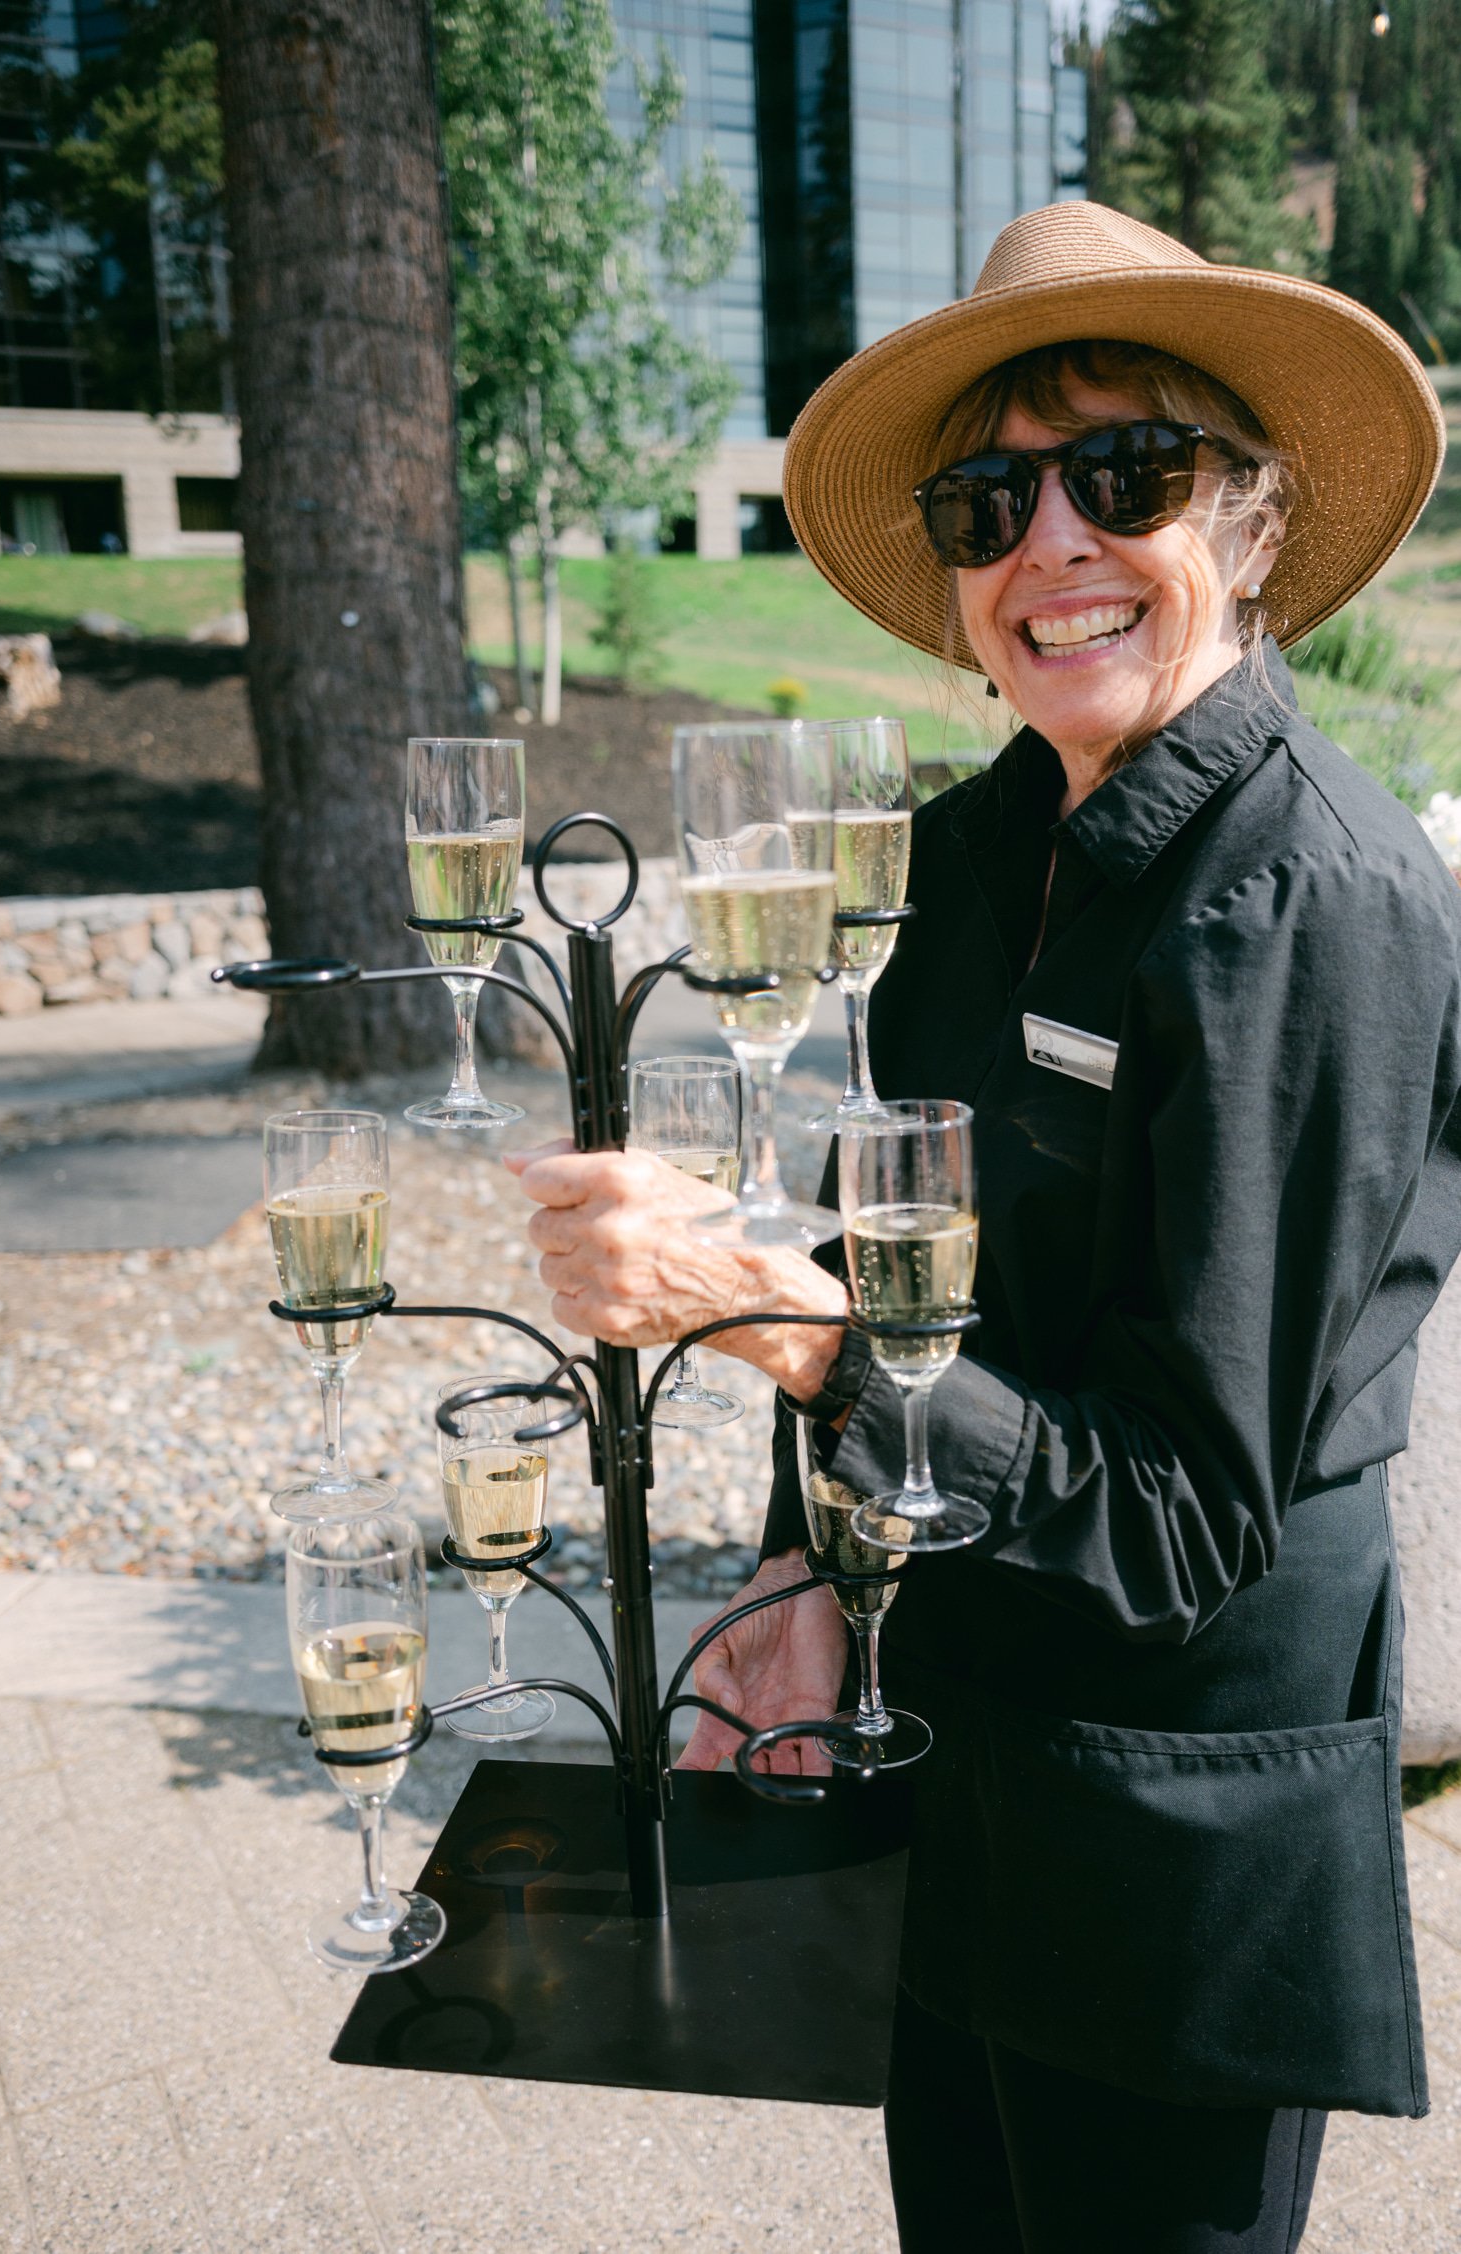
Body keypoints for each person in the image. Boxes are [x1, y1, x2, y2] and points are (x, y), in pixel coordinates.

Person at [506, 203, 1461, 2250]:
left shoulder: (1316, 906)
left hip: (1177, 1816)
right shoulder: (956, 855)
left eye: (1127, 473)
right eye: (988, 495)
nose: (1055, 543)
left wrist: (793, 1338)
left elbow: (1184, 1509)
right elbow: (898, 1254)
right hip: (956, 1771)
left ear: (1260, 519)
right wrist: (808, 1552)